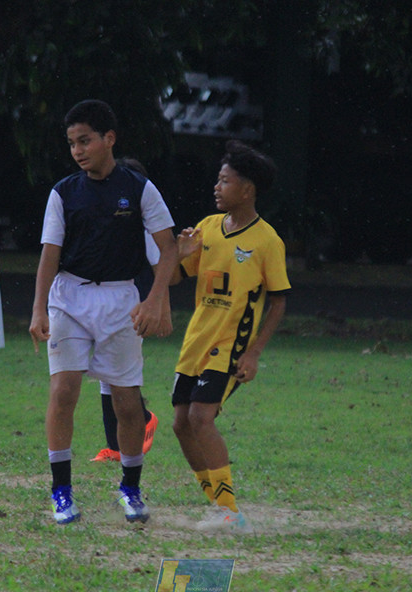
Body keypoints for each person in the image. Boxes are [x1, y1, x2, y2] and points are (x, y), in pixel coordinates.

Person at [30, 100, 178, 525]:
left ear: (109, 139)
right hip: (69, 298)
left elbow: (169, 249)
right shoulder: (63, 193)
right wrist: (39, 309)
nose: (77, 150)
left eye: (85, 141)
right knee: (64, 391)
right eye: (72, 143)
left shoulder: (140, 189)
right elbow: (49, 255)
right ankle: (61, 492)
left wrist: (154, 300)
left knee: (127, 404)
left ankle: (130, 489)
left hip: (120, 302)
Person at [170, 140, 290, 533]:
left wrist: (254, 353)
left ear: (247, 190)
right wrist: (177, 254)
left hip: (229, 347)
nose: (216, 187)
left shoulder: (267, 241)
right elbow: (172, 278)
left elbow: (278, 302)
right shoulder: (206, 227)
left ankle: (229, 511)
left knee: (200, 418)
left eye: (225, 181)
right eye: (218, 180)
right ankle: (218, 505)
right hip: (195, 342)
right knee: (180, 424)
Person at [91, 158, 159, 463]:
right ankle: (115, 446)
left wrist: (152, 304)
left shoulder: (146, 225)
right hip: (107, 304)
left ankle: (139, 422)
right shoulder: (112, 220)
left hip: (133, 305)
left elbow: (160, 267)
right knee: (106, 374)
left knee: (117, 374)